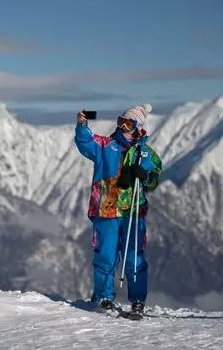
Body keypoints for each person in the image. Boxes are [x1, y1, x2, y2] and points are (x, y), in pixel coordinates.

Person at [73, 104, 163, 316]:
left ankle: (138, 300)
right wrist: (81, 125)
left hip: (132, 211)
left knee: (134, 257)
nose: (123, 126)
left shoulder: (146, 154)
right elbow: (85, 142)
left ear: (138, 126)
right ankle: (103, 296)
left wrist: (145, 176)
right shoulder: (105, 145)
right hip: (106, 209)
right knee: (105, 254)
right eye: (121, 121)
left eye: (128, 123)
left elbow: (153, 180)